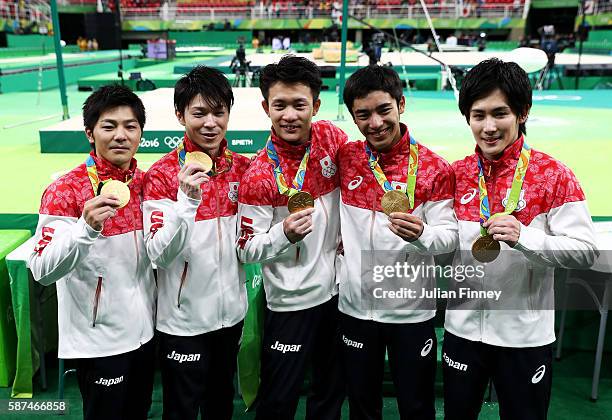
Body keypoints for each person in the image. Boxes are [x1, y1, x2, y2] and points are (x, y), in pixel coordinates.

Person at [444, 58, 597, 420]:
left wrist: (525, 237)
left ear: (522, 112)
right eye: (478, 115)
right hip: (462, 331)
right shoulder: (457, 174)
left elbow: (585, 252)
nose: (489, 126)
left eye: (500, 113)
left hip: (524, 338)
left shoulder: (554, 175)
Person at [28, 85, 156, 420]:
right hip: (98, 341)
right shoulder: (64, 190)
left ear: (141, 132)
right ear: (90, 133)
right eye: (109, 126)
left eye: (130, 126)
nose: (121, 135)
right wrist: (85, 230)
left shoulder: (147, 184)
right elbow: (41, 268)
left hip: (145, 335)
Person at [338, 65, 457, 419]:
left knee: (417, 406)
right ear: (353, 117)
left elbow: (448, 240)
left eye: (383, 110)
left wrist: (423, 235)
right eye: (363, 115)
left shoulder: (435, 168)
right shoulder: (346, 158)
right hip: (356, 308)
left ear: (401, 104)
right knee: (361, 405)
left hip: (411, 313)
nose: (374, 123)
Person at [236, 55, 347, 420]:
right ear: (266, 107)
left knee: (329, 394)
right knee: (279, 400)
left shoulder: (332, 138)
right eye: (279, 105)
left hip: (336, 296)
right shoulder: (258, 175)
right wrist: (281, 234)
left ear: (315, 105)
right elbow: (245, 248)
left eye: (300, 105)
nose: (289, 115)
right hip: (289, 304)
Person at [142, 66, 250, 420]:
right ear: (180, 115)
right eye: (199, 113)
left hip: (231, 316)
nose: (210, 123)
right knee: (182, 409)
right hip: (183, 322)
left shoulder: (243, 168)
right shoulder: (160, 175)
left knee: (221, 404)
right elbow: (159, 253)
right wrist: (186, 200)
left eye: (219, 113)